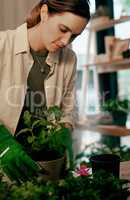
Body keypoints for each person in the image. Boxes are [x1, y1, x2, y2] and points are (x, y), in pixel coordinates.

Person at [0, 0, 90, 182]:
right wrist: (2, 143)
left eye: (74, 36)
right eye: (63, 29)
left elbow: (68, 107)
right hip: (6, 162)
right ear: (44, 12)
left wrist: (65, 129)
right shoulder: (2, 45)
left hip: (46, 167)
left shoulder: (69, 59)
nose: (66, 41)